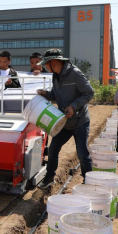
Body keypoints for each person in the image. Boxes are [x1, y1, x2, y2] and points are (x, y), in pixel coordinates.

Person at [36, 49, 94, 190]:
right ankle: (49, 178)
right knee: (54, 148)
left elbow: (89, 93)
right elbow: (57, 96)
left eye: (46, 65)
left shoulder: (75, 73)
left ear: (53, 62)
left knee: (82, 152)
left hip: (79, 121)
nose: (45, 68)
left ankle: (89, 181)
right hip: (65, 121)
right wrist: (45, 94)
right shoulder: (56, 76)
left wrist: (73, 106)